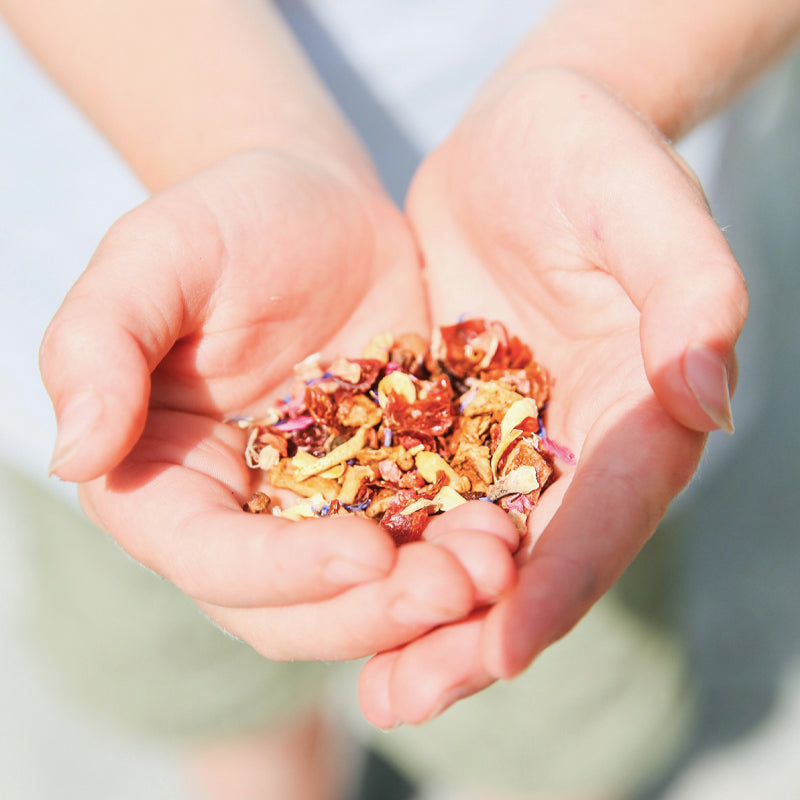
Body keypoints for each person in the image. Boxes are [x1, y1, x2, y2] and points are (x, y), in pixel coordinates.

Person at [1, 0, 796, 798]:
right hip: (176, 336)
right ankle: (270, 767)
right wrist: (244, 137)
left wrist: (604, 80)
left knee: (554, 709)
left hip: (583, 274)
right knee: (201, 677)